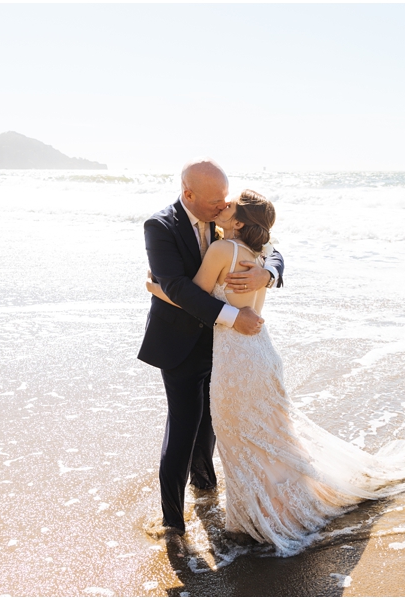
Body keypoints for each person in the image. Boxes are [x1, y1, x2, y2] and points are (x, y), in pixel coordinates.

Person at [146, 189, 405, 556]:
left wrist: (154, 285)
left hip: (236, 360)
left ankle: (253, 521)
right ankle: (278, 509)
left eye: (229, 205)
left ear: (241, 222)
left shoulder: (222, 250)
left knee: (241, 438)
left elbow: (192, 295)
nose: (222, 204)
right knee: (271, 436)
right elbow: (268, 258)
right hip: (260, 352)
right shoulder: (255, 250)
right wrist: (266, 272)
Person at [138, 159, 285, 535]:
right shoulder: (160, 226)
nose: (222, 206)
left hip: (224, 346)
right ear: (189, 195)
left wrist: (268, 272)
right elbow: (181, 288)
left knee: (212, 425)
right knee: (184, 427)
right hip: (181, 343)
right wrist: (235, 317)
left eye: (226, 199)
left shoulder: (229, 232)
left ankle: (205, 488)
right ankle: (173, 521)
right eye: (215, 201)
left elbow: (272, 245)